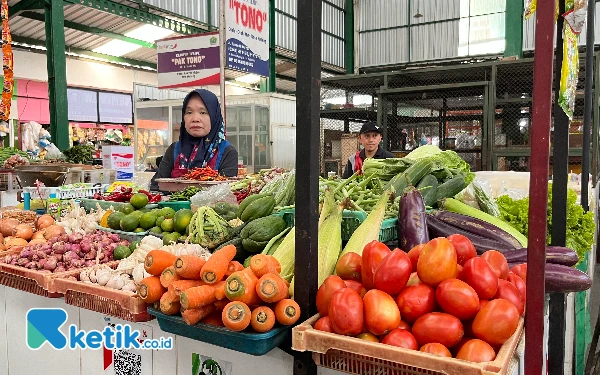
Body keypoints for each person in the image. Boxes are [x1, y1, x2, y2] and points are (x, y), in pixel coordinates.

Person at [150, 89, 238, 191]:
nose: (195, 118)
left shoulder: (227, 152)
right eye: (189, 112)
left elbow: (226, 192)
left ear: (214, 116)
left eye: (203, 112)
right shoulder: (174, 149)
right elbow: (156, 186)